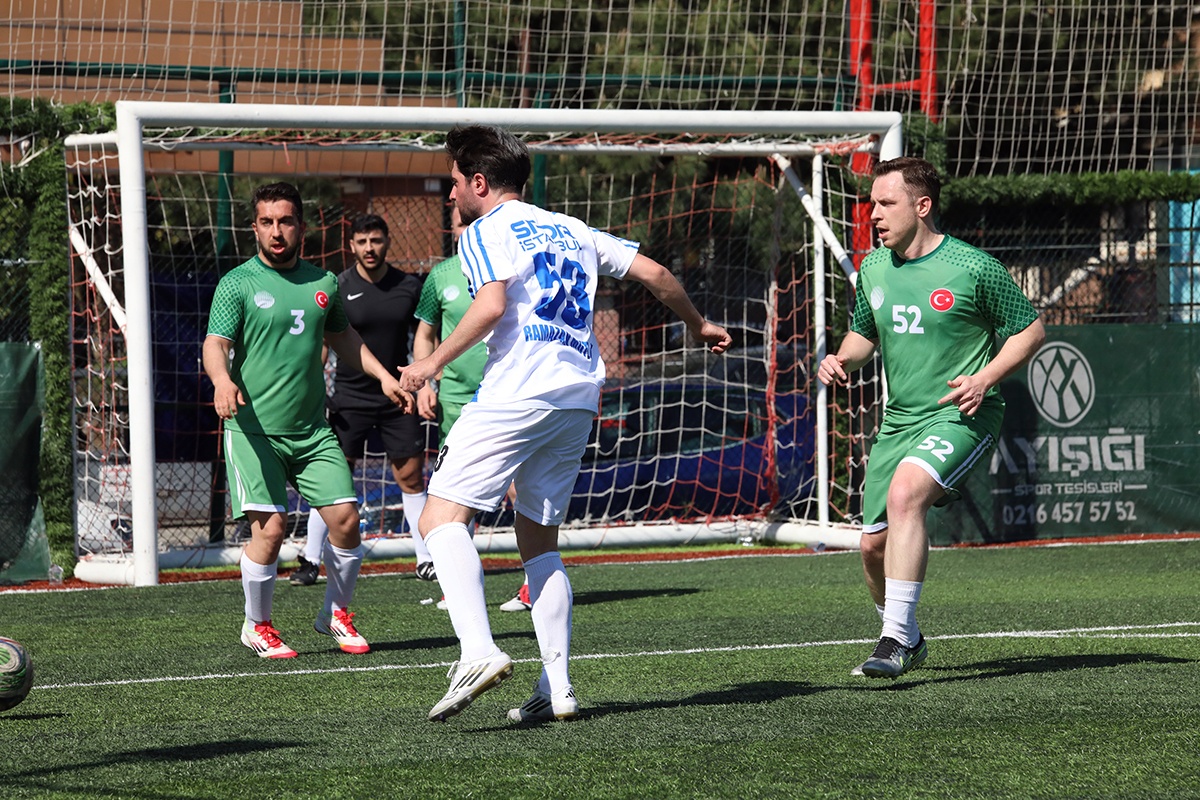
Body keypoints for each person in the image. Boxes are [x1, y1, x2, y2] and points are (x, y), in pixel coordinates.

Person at [398, 125, 732, 723]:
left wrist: (430, 364)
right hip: (578, 395)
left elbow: (491, 305)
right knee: (539, 542)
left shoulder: (484, 231)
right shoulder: (573, 228)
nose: (450, 195)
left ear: (480, 183)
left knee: (439, 519)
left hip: (518, 389)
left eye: (454, 183)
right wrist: (698, 324)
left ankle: (477, 651)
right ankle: (557, 687)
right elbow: (656, 274)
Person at [816, 157, 1045, 678]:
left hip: (961, 415)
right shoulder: (874, 267)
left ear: (922, 206)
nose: (874, 214)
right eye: (872, 204)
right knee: (872, 547)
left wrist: (984, 377)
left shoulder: (974, 267)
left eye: (886, 203)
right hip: (899, 422)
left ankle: (894, 639)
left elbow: (1030, 331)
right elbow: (864, 333)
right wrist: (841, 358)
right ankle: (909, 637)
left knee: (906, 496)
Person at [203, 182, 411, 659]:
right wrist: (221, 380)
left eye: (286, 221)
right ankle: (257, 625)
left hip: (312, 432)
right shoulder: (237, 283)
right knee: (272, 529)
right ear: (255, 227)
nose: (277, 232)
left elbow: (344, 337)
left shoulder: (324, 283)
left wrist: (384, 376)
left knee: (347, 520)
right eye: (267, 222)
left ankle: (335, 613)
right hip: (253, 431)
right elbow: (216, 343)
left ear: (302, 226)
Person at [292, 213, 437, 587]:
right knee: (332, 482)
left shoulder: (409, 286)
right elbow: (324, 343)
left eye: (376, 240)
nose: (369, 248)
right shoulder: (337, 286)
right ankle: (310, 559)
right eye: (362, 241)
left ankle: (426, 559)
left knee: (410, 477)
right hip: (348, 398)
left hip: (398, 398)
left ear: (387, 242)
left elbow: (426, 336)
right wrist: (310, 389)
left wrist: (427, 383)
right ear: (351, 245)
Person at [414, 205, 529, 613]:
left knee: (518, 487)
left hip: (507, 395)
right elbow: (424, 334)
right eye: (462, 223)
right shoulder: (441, 275)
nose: (467, 229)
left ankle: (532, 582)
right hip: (456, 398)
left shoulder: (512, 266)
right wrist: (426, 383)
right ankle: (457, 584)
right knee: (456, 489)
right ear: (452, 227)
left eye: (474, 222)